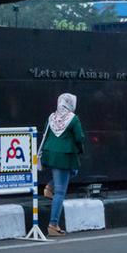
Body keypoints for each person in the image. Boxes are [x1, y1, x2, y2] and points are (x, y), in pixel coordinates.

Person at [39, 93, 84, 237]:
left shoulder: (52, 117)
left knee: (74, 171)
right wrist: (81, 149)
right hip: (64, 158)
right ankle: (53, 225)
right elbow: (79, 137)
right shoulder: (73, 118)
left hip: (50, 154)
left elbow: (45, 133)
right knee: (60, 193)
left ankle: (49, 186)